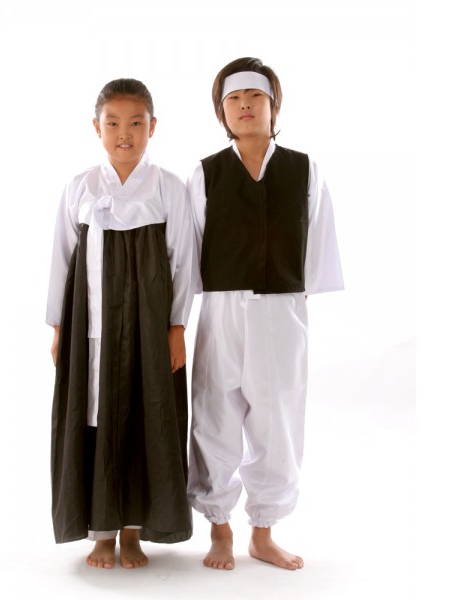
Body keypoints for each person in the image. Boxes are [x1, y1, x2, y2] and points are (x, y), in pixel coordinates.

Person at [186, 57, 344, 571]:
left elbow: (317, 240)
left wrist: (294, 297)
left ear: (274, 106)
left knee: (278, 419)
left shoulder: (305, 169)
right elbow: (188, 248)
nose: (245, 106)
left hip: (281, 309)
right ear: (222, 112)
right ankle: (220, 528)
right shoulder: (205, 174)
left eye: (256, 96)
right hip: (222, 311)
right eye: (234, 99)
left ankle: (263, 532)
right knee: (215, 413)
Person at [46, 78, 195, 569]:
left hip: (149, 329)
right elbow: (62, 261)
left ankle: (133, 531)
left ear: (153, 127)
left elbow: (183, 263)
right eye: (113, 123)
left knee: (144, 417)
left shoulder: (168, 188)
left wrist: (176, 327)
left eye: (135, 122)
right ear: (97, 127)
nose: (124, 133)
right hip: (92, 330)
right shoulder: (81, 187)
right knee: (95, 419)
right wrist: (59, 329)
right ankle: (102, 531)